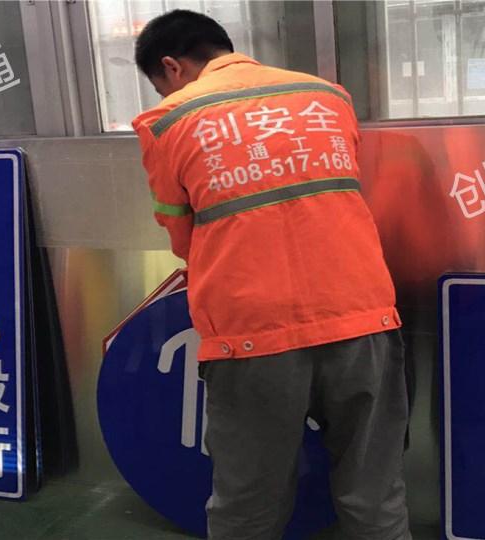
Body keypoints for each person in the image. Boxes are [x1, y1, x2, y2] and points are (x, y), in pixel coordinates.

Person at [132, 10, 410, 540]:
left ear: (171, 66)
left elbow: (182, 235)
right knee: (376, 495)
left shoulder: (167, 121)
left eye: (161, 83)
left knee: (248, 503)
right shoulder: (328, 97)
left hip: (252, 334)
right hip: (362, 317)